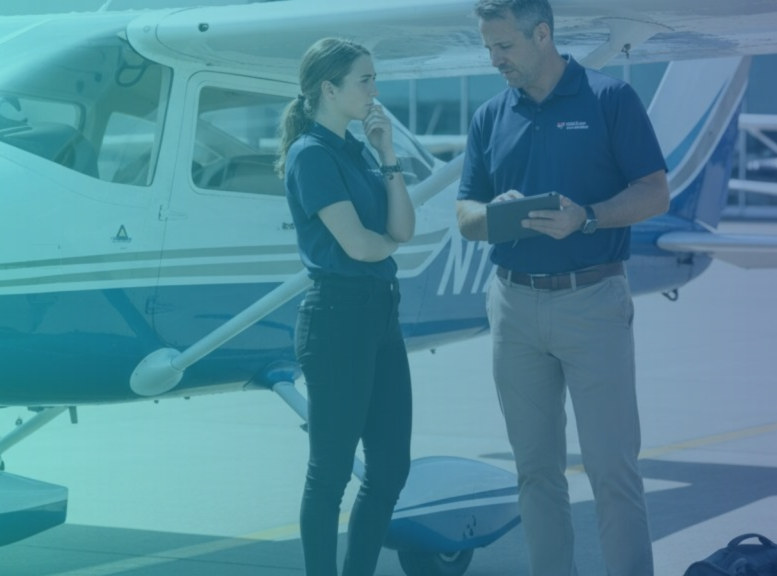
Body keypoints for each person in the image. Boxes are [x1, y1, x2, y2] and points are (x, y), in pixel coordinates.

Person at [456, 1, 670, 575]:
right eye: (488, 47)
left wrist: (590, 217)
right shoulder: (490, 116)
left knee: (611, 468)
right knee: (536, 471)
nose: (494, 59)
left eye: (504, 46)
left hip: (593, 302)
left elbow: (654, 192)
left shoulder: (609, 100)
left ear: (542, 34)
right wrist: (490, 216)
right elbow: (464, 214)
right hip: (513, 307)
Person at [276, 37, 415, 576]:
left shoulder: (357, 150)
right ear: (328, 90)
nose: (375, 90)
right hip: (336, 320)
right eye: (365, 80)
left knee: (390, 469)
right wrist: (384, 245)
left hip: (380, 315)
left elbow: (401, 227)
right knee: (330, 474)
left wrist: (386, 153)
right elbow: (360, 245)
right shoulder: (309, 154)